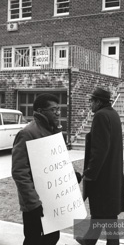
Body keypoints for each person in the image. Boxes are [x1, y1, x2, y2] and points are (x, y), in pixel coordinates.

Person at [76, 87, 124, 245]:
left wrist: (89, 173)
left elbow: (99, 150)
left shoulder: (100, 116)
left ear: (99, 102)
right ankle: (89, 241)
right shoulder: (113, 114)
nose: (90, 104)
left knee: (106, 213)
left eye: (91, 100)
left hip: (102, 177)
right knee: (104, 212)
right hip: (112, 173)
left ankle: (105, 243)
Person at [12, 93, 62, 245]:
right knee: (33, 239)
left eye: (58, 109)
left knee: (53, 237)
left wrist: (71, 176)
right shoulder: (27, 133)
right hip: (35, 203)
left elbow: (55, 163)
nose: (58, 113)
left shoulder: (54, 131)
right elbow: (20, 172)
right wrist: (33, 203)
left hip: (51, 199)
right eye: (53, 109)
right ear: (41, 111)